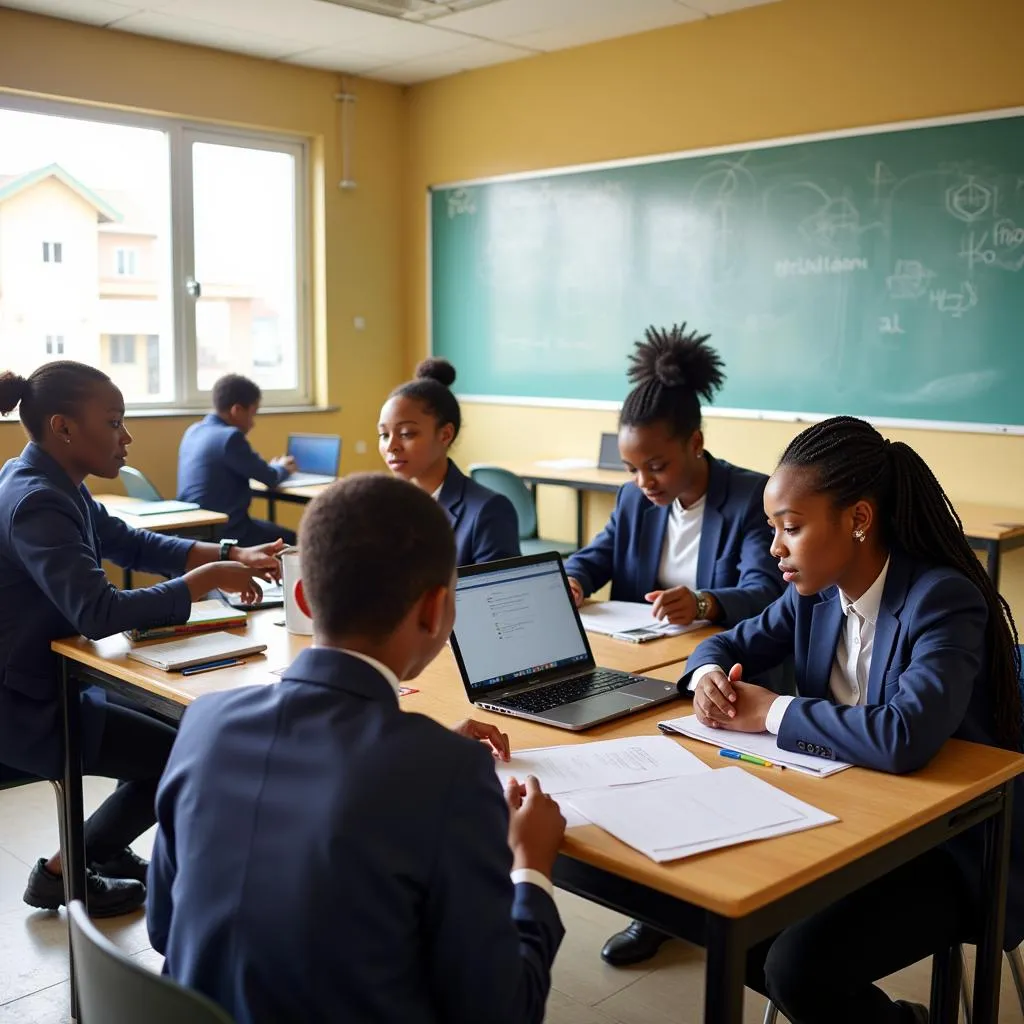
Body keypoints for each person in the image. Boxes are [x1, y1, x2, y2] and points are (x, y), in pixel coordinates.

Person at [147, 473, 566, 1024]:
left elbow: (162, 926)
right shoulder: (449, 775)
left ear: (302, 597)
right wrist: (530, 868)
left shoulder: (206, 721)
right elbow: (505, 1011)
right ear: (435, 608)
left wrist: (423, 751)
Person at [686, 415, 1024, 1024]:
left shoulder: (941, 599)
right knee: (731, 921)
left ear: (859, 520)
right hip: (850, 817)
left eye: (791, 528)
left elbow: (905, 735)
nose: (775, 549)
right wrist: (706, 676)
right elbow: (725, 644)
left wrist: (773, 710)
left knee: (796, 968)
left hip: (951, 841)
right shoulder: (811, 595)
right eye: (772, 529)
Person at [0, 361, 280, 917]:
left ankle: (98, 852)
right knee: (186, 753)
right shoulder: (38, 502)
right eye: (115, 422)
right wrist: (200, 583)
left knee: (185, 725)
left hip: (55, 677)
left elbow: (131, 543)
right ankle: (69, 868)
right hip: (24, 703)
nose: (126, 437)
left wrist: (230, 554)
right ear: (63, 428)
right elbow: (99, 612)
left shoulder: (49, 480)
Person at [569, 325, 786, 966]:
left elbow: (768, 588)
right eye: (633, 469)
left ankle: (698, 899)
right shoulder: (636, 500)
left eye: (657, 465)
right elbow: (601, 551)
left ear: (696, 442)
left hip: (726, 664)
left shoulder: (751, 497)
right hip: (643, 656)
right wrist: (578, 577)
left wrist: (707, 604)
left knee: (671, 768)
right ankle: (657, 905)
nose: (645, 482)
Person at [378, 358, 520, 565]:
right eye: (383, 435)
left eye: (406, 434)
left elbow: (496, 596)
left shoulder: (488, 511)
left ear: (445, 435)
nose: (391, 446)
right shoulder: (381, 507)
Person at [177, 373, 298, 547]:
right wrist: (284, 467)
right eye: (252, 414)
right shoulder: (230, 438)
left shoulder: (194, 431)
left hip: (194, 529)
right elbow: (270, 477)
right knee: (290, 540)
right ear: (237, 410)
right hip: (227, 530)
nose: (253, 423)